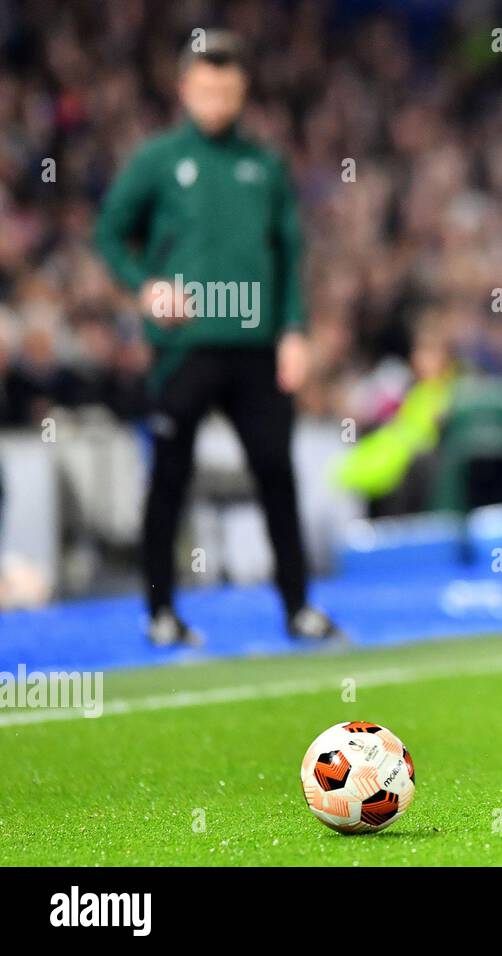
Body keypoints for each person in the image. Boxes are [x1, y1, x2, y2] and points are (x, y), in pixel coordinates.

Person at [95, 31, 344, 646]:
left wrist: (294, 330)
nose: (217, 102)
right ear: (184, 89)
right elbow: (110, 232)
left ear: (243, 91)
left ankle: (297, 608)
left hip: (258, 348)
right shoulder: (157, 160)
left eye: (228, 90)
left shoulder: (265, 163)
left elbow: (290, 252)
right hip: (184, 349)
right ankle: (160, 614)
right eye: (206, 89)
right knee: (169, 477)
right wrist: (144, 286)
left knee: (276, 474)